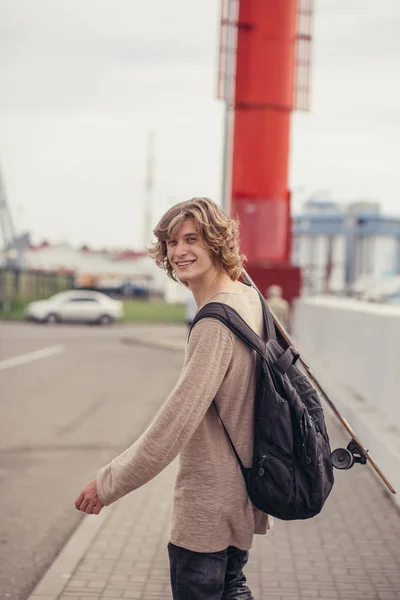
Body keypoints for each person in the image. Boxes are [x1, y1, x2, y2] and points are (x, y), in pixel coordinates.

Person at [75, 197, 272, 600]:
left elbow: (173, 426)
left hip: (209, 511)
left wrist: (107, 484)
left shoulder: (216, 323)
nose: (179, 251)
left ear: (216, 243)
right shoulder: (249, 299)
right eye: (171, 242)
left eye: (192, 239)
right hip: (242, 497)